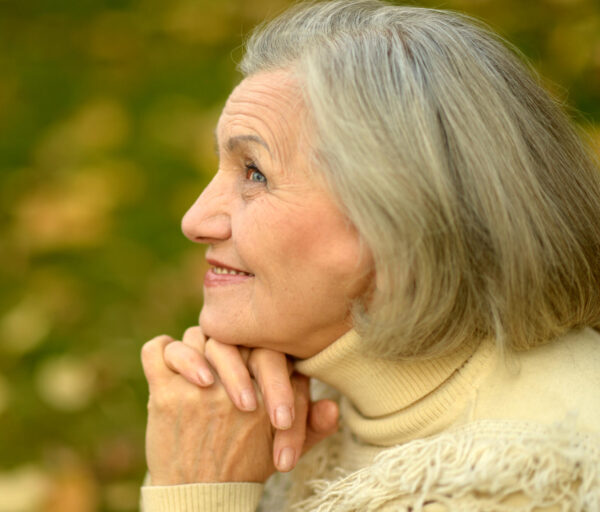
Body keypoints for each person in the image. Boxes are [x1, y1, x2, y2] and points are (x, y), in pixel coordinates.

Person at [140, 0, 600, 510]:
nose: (194, 220)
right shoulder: (299, 396)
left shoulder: (522, 485)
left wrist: (198, 486)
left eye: (255, 173)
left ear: (405, 218)